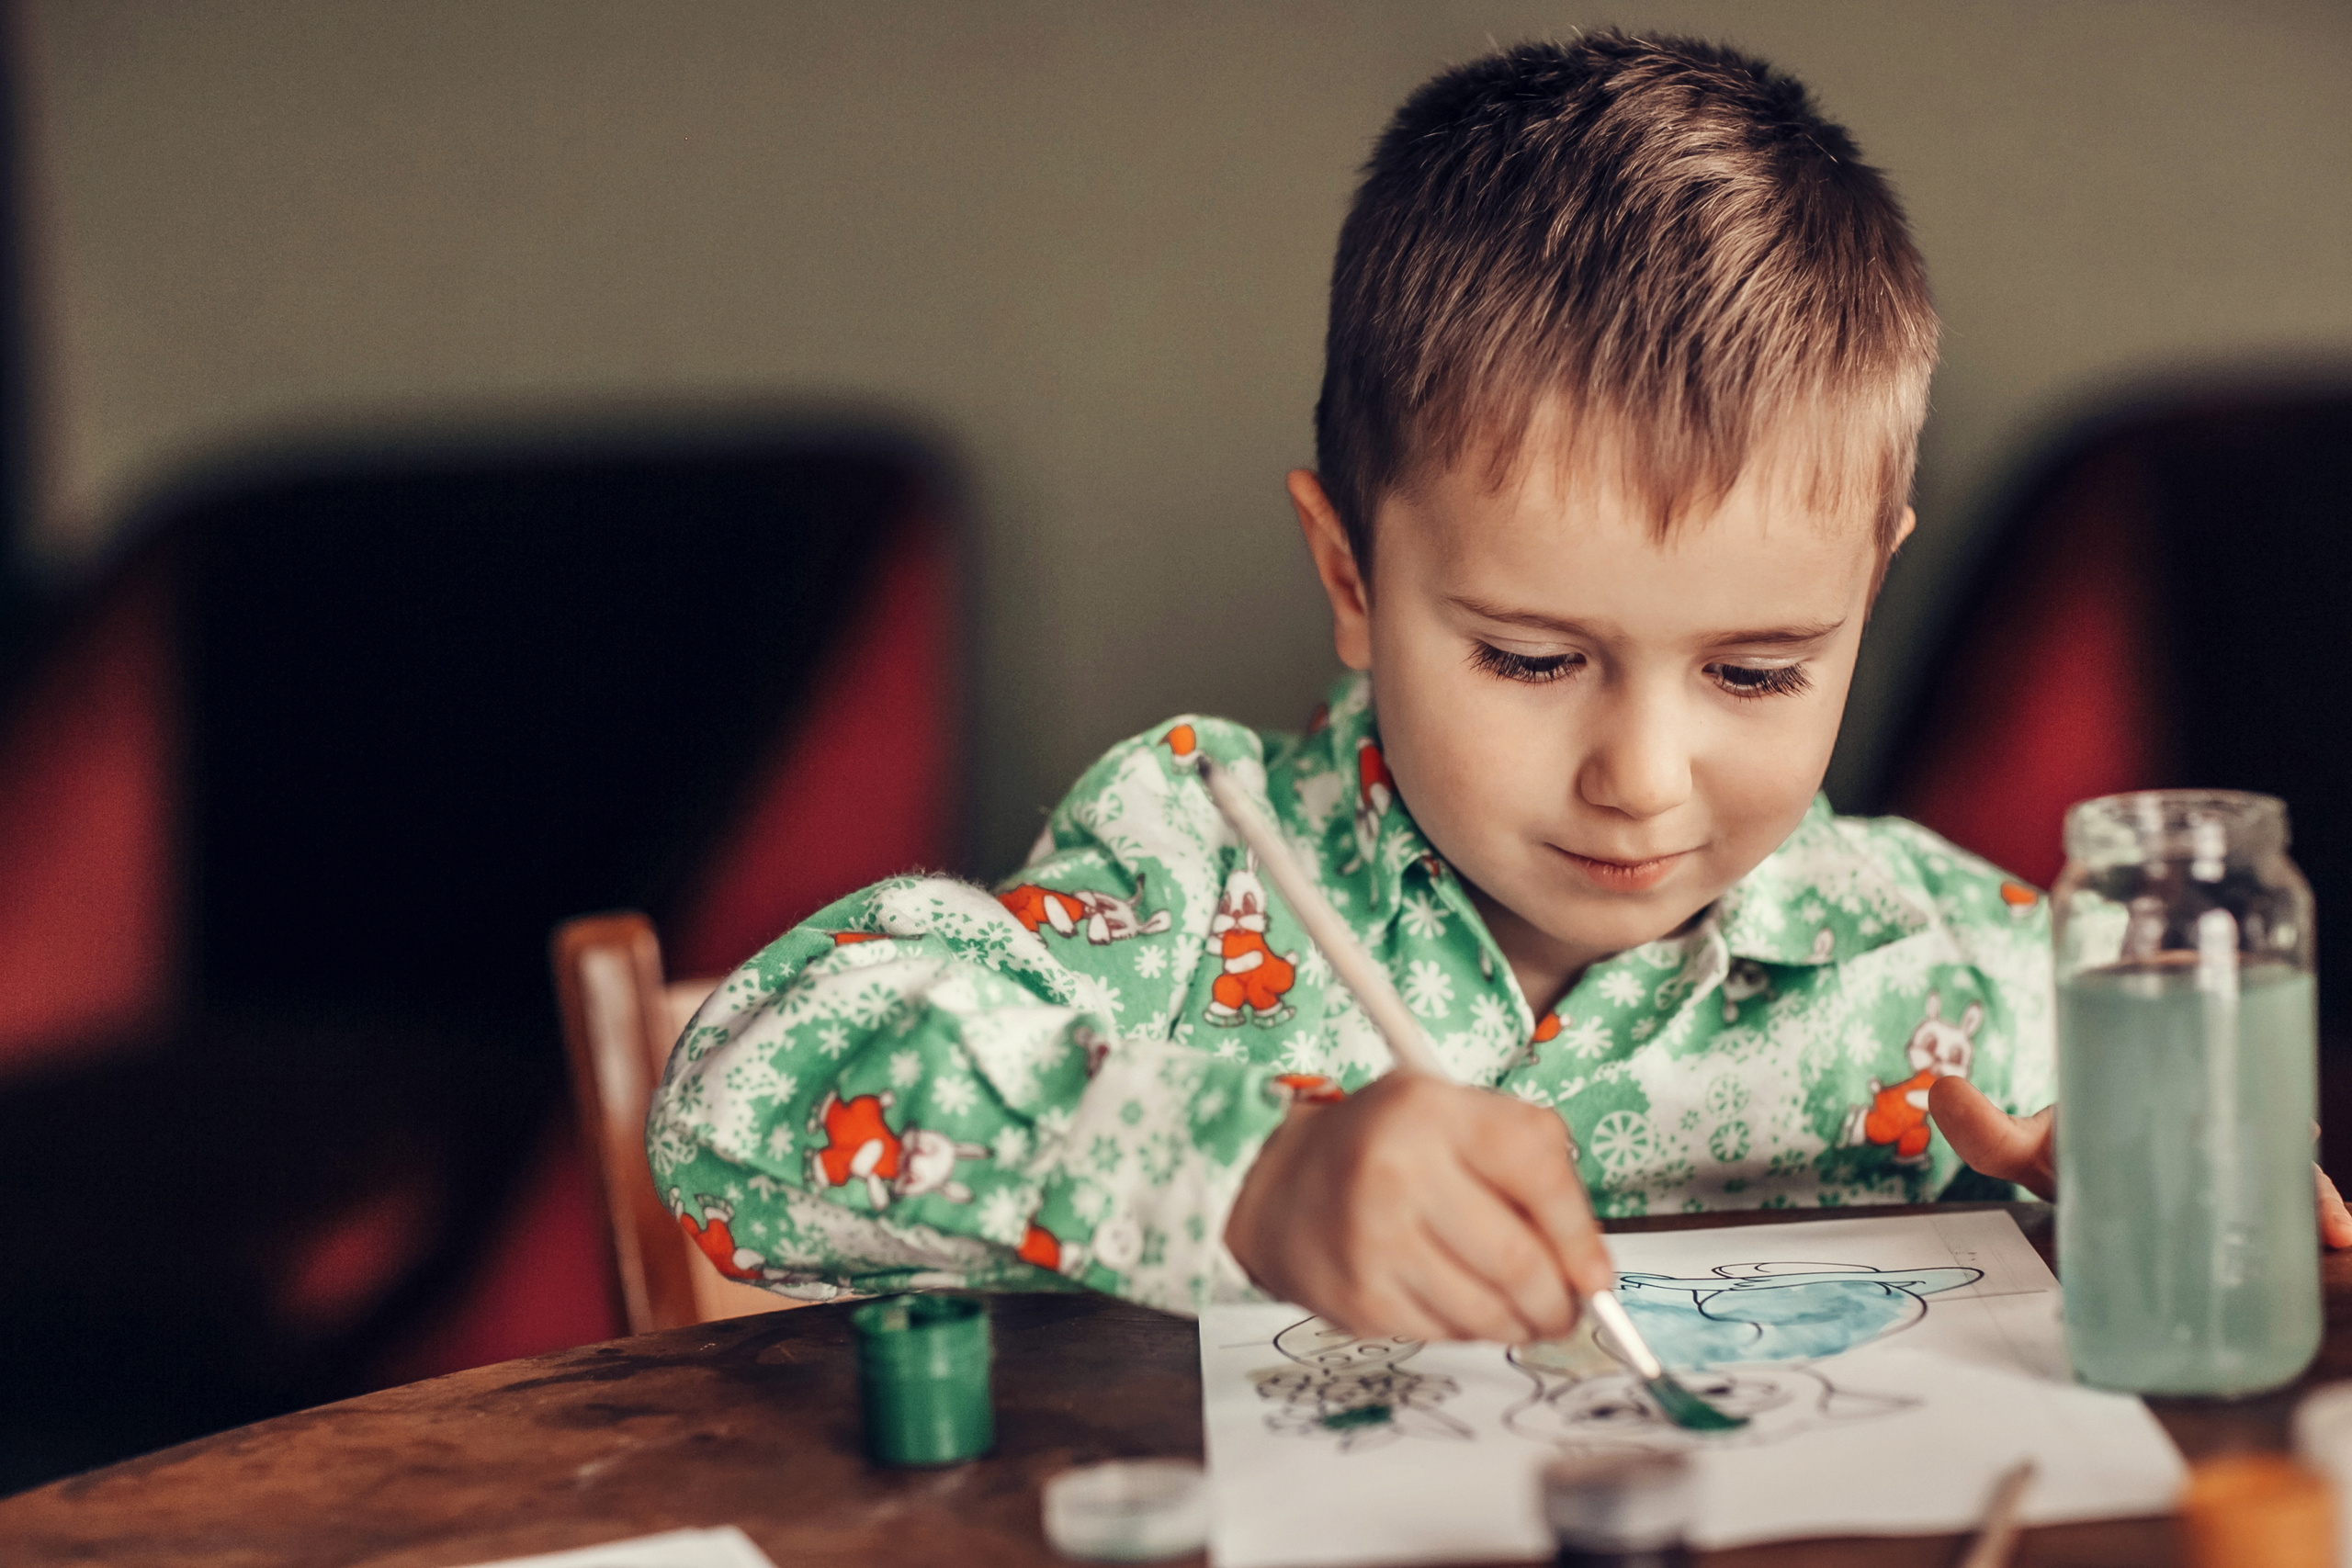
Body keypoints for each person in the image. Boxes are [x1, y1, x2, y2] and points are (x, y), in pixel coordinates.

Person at [647, 32, 2347, 1343]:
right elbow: (735, 1104)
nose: (1645, 774)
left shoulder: (1970, 974)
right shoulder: (1192, 869)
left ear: (1866, 590)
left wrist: (2158, 1208)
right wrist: (1242, 1173)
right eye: (1533, 659)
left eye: (1760, 668)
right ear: (1350, 582)